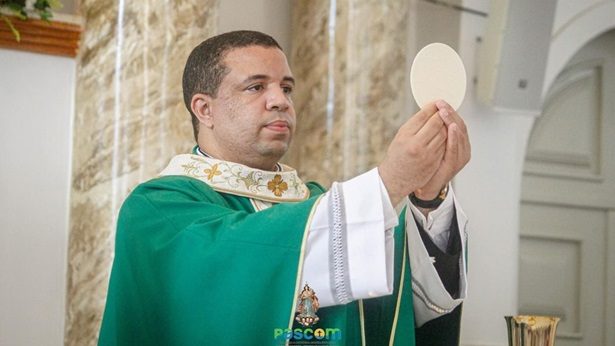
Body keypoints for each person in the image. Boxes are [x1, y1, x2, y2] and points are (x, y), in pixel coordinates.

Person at [99, 30, 471, 346]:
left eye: (286, 88)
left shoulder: (314, 202)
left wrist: (428, 197)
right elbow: (243, 261)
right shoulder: (157, 209)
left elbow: (406, 305)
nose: (280, 100)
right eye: (256, 86)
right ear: (204, 109)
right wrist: (391, 182)